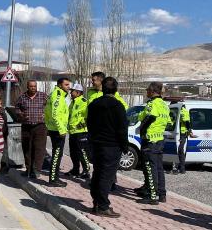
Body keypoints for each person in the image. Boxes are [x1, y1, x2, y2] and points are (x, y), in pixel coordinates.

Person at [87, 77, 128, 218]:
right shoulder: (117, 105)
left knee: (97, 173)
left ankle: (96, 202)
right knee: (106, 176)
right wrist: (125, 147)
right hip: (111, 146)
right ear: (115, 89)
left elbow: (89, 125)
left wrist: (91, 141)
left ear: (103, 89)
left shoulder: (93, 104)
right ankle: (103, 206)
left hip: (96, 144)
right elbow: (122, 129)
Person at [136, 82, 171, 205]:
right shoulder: (165, 105)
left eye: (147, 90)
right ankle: (162, 194)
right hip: (159, 139)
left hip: (150, 139)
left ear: (152, 91)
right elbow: (168, 122)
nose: (146, 92)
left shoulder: (152, 103)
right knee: (159, 168)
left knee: (150, 168)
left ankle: (152, 195)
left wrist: (142, 129)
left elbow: (151, 117)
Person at [15, 80, 48, 179]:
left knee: (39, 149)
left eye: (35, 86)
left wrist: (46, 114)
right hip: (26, 126)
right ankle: (28, 170)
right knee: (27, 149)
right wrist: (21, 114)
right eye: (31, 86)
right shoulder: (22, 97)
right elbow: (17, 108)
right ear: (27, 87)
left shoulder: (43, 96)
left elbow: (50, 106)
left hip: (40, 126)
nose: (33, 88)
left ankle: (36, 170)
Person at [44, 78, 71, 187]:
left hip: (54, 128)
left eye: (69, 84)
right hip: (57, 130)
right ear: (60, 85)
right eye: (66, 84)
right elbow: (55, 114)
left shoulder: (55, 94)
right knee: (56, 155)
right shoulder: (58, 95)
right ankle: (53, 179)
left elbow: (46, 111)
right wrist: (61, 130)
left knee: (57, 154)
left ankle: (54, 177)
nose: (68, 87)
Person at [66, 83, 91, 179]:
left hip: (81, 132)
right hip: (72, 132)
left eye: (72, 91)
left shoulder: (84, 102)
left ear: (78, 92)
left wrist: (81, 125)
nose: (70, 93)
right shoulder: (72, 102)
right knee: (73, 152)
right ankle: (75, 169)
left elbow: (88, 116)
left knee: (82, 152)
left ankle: (86, 171)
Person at [173, 104, 191, 174]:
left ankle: (182, 168)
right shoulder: (180, 111)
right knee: (180, 151)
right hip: (180, 134)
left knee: (180, 151)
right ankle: (179, 168)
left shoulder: (183, 111)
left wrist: (189, 130)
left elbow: (186, 121)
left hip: (182, 134)